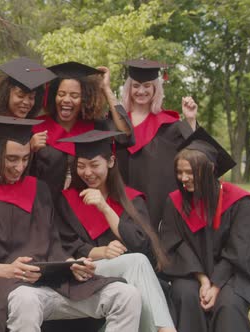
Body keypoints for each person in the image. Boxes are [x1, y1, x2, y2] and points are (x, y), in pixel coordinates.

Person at [0, 115, 142, 332]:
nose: (19, 167)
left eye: (24, 158)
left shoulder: (39, 190)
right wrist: (8, 270)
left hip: (52, 282)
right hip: (3, 286)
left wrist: (71, 264)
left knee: (126, 296)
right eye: (12, 159)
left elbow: (54, 246)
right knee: (26, 299)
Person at [54, 130, 175, 332]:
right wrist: (102, 252)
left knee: (137, 265)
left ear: (110, 162)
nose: (87, 172)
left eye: (94, 165)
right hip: (87, 274)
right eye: (81, 165)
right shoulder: (67, 200)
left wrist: (105, 207)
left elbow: (142, 245)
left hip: (130, 276)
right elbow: (66, 245)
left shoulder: (131, 199)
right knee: (136, 261)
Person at [159, 127, 250, 332]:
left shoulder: (240, 203)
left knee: (228, 304)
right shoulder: (175, 202)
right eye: (179, 172)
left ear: (211, 169)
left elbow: (240, 251)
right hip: (190, 273)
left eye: (190, 172)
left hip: (233, 273)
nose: (183, 178)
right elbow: (175, 243)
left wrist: (215, 285)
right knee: (185, 295)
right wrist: (203, 279)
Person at [31, 61, 133, 197]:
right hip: (44, 207)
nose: (66, 100)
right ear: (53, 95)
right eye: (61, 94)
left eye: (74, 96)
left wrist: (106, 89)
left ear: (85, 99)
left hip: (82, 208)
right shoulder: (36, 128)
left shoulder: (96, 127)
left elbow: (125, 134)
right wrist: (29, 148)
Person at [116, 59, 198, 229]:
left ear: (155, 89)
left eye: (147, 85)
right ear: (129, 88)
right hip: (121, 200)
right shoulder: (116, 124)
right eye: (136, 85)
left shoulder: (169, 125)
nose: (141, 91)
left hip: (157, 206)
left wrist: (190, 119)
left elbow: (194, 151)